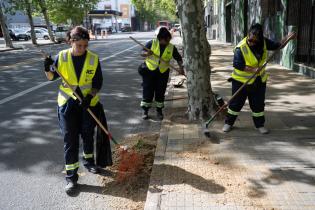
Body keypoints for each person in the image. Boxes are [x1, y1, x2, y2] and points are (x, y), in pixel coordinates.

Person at [43, 26, 105, 195]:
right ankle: (71, 178)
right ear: (71, 41)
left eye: (86, 46)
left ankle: (89, 161)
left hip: (87, 104)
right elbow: (50, 77)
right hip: (67, 103)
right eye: (80, 46)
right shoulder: (61, 57)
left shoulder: (93, 58)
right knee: (70, 139)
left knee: (87, 133)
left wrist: (89, 97)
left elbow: (97, 83)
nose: (83, 49)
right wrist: (47, 67)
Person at [223, 23, 295, 134]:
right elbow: (237, 64)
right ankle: (228, 123)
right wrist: (252, 70)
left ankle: (259, 125)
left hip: (258, 81)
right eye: (249, 39)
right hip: (241, 81)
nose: (250, 42)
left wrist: (288, 38)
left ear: (260, 39)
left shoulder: (264, 42)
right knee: (235, 104)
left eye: (254, 41)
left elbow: (278, 45)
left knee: (258, 104)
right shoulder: (241, 47)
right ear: (248, 35)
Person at [139, 27, 184, 120]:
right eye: (165, 40)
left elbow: (178, 58)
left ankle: (159, 111)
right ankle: (145, 110)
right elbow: (141, 52)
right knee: (148, 91)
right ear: (160, 38)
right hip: (149, 71)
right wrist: (147, 54)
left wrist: (181, 69)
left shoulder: (171, 47)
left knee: (160, 92)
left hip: (163, 73)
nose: (167, 42)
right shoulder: (152, 43)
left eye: (168, 40)